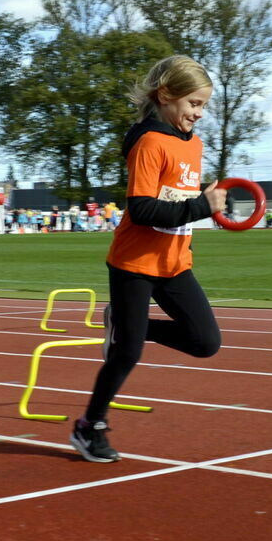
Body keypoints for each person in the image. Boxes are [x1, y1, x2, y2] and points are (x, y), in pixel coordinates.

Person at [71, 55, 226, 463]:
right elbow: (142, 209)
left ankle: (129, 327)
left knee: (206, 342)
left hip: (175, 264)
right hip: (134, 263)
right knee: (126, 354)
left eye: (204, 105)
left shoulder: (194, 145)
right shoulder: (149, 143)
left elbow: (180, 204)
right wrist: (201, 207)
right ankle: (90, 427)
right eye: (193, 103)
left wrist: (201, 208)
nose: (199, 113)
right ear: (165, 97)